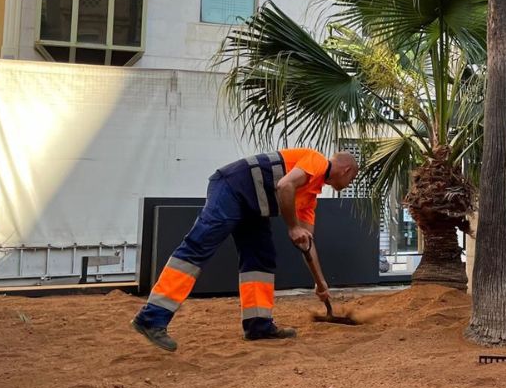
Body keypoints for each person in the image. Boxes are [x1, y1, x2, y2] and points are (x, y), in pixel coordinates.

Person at [133, 148, 359, 352]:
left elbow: (307, 243)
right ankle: (151, 318)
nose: (349, 184)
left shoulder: (309, 198)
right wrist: (292, 227)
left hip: (253, 208)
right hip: (232, 186)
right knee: (198, 246)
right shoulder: (317, 161)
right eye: (352, 179)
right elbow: (284, 185)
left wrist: (320, 283)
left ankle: (258, 325)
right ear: (346, 169)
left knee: (260, 259)